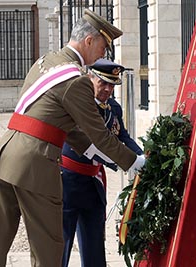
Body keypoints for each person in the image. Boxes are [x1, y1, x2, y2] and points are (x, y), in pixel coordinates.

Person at [0, 9, 145, 267]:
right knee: (48, 250)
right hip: (35, 165)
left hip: (6, 155)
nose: (103, 54)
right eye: (102, 47)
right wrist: (135, 163)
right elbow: (99, 134)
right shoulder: (76, 81)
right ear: (89, 41)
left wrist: (91, 152)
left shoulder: (45, 62)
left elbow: (66, 127)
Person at [61, 59, 144, 267]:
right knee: (60, 245)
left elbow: (122, 137)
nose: (108, 89)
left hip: (93, 184)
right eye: (103, 83)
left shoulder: (113, 108)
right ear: (91, 78)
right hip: (67, 183)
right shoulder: (80, 104)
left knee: (94, 247)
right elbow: (93, 145)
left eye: (112, 85)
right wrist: (129, 162)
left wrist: (143, 157)